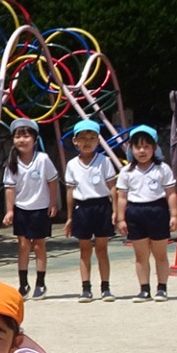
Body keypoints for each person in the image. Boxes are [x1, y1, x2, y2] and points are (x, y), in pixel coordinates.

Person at [113, 125, 177, 302]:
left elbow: (171, 193)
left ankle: (162, 288)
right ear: (131, 149)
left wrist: (174, 215)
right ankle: (144, 289)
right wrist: (120, 218)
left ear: (154, 148)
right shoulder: (126, 171)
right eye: (137, 147)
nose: (142, 151)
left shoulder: (162, 169)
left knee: (160, 254)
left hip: (157, 211)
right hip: (135, 212)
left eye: (146, 146)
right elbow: (121, 197)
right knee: (141, 255)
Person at [0, 120, 59, 300]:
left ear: (35, 139)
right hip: (21, 209)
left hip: (40, 208)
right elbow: (10, 188)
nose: (22, 140)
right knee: (23, 245)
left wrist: (53, 203)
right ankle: (23, 283)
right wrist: (9, 211)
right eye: (18, 136)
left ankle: (40, 283)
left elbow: (53, 181)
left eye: (26, 136)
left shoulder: (43, 159)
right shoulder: (12, 162)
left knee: (39, 245)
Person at [62, 120, 117, 303]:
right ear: (75, 141)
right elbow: (70, 191)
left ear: (98, 141)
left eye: (92, 138)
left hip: (102, 206)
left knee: (102, 249)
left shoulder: (104, 162)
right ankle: (86, 288)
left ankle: (106, 287)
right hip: (82, 208)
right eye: (83, 138)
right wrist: (70, 217)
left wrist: (116, 211)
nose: (87, 142)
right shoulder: (72, 165)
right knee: (84, 250)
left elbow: (113, 187)